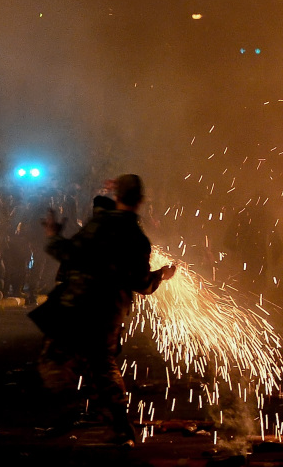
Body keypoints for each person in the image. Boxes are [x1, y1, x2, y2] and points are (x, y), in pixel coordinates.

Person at [32, 175, 177, 446]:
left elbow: (69, 253)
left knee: (54, 358)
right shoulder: (138, 238)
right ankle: (120, 428)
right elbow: (142, 284)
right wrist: (163, 274)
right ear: (141, 201)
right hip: (110, 310)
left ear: (117, 196)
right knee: (102, 365)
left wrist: (53, 236)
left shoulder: (99, 226)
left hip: (78, 304)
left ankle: (68, 411)